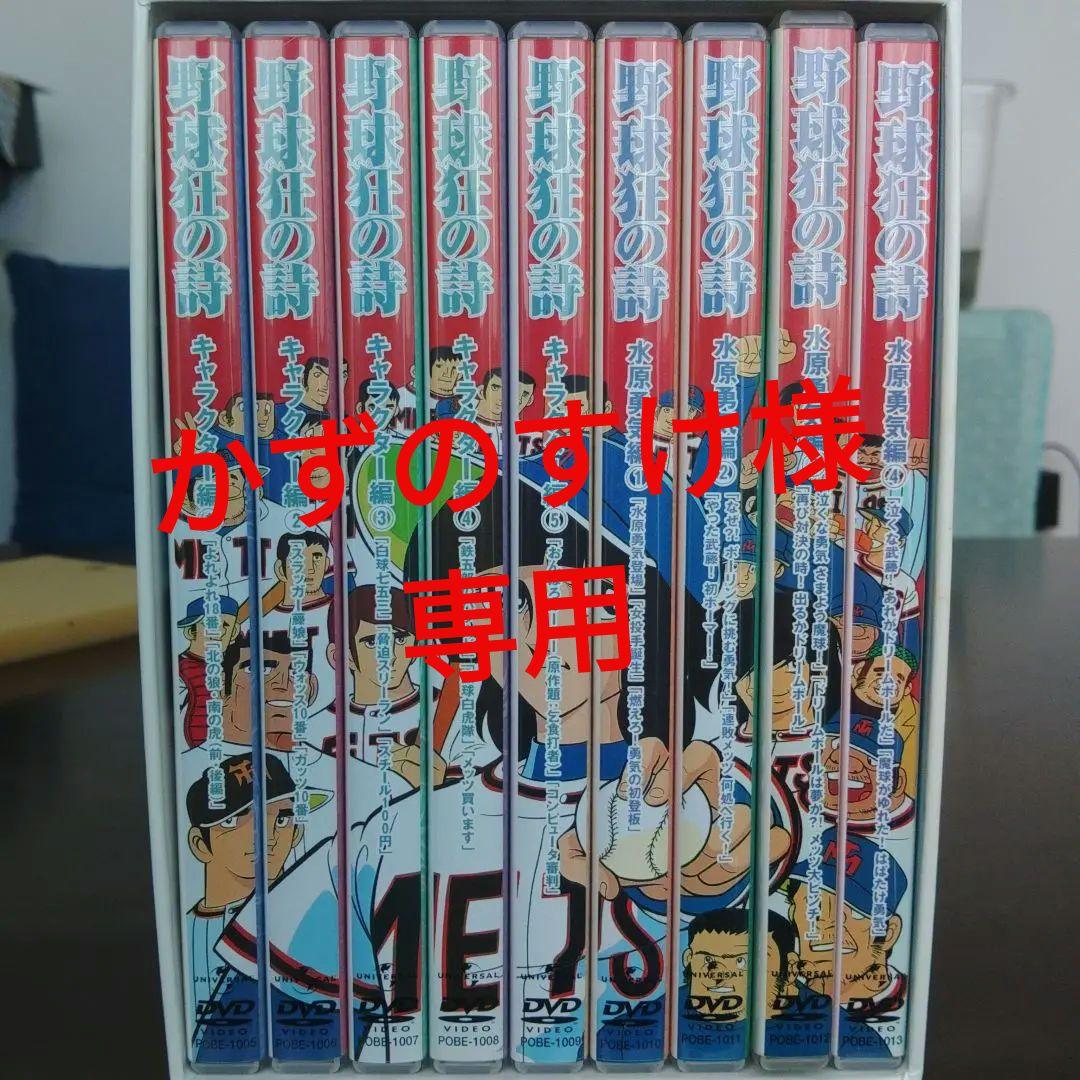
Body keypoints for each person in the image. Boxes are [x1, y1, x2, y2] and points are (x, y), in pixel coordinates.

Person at [176, 595, 239, 748]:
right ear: (190, 632)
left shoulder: (237, 667)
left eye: (226, 625)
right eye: (211, 624)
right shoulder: (178, 671)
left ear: (234, 633)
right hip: (190, 750)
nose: (220, 632)